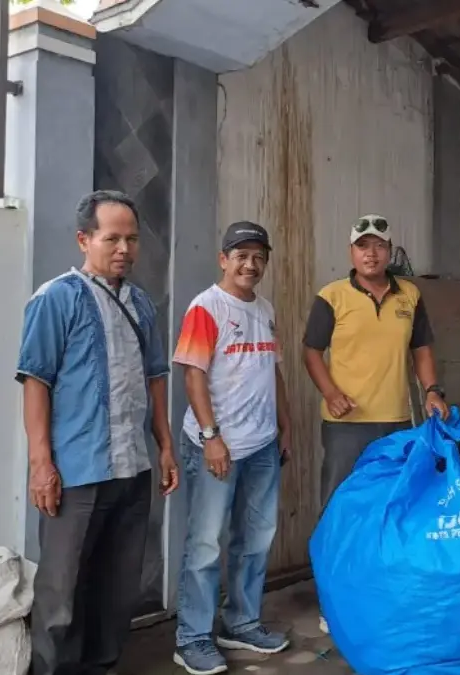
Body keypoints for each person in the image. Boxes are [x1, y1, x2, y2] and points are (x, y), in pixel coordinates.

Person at [16, 189, 180, 675]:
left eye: (131, 239)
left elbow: (155, 381)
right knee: (62, 592)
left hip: (132, 469)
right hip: (77, 473)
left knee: (115, 588)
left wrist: (166, 446)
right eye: (112, 238)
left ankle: (101, 666)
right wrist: (41, 464)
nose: (124, 249)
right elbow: (35, 382)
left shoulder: (143, 304)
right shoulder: (55, 299)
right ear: (84, 240)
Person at [302, 214, 447, 634]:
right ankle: (333, 600)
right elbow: (312, 351)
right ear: (351, 252)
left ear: (389, 251)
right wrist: (330, 392)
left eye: (379, 245)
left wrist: (432, 389)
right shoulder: (331, 296)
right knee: (340, 508)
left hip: (397, 422)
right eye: (362, 245)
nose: (371, 253)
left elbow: (421, 348)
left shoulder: (411, 296)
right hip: (346, 425)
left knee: (393, 507)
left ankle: (382, 593)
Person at [170, 221, 292, 675]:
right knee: (205, 545)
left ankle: (241, 622)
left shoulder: (264, 308)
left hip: (261, 444)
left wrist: (285, 422)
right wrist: (210, 436)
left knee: (255, 539)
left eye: (259, 256)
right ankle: (192, 637)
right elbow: (192, 375)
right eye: (241, 255)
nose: (251, 264)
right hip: (216, 445)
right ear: (224, 259)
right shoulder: (207, 307)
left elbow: (272, 370)